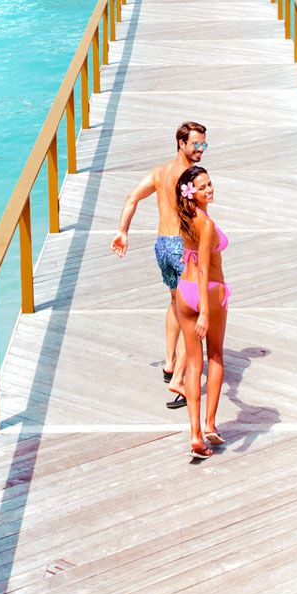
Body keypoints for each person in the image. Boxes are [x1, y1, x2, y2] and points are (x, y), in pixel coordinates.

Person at [110, 120, 206, 406]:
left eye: (204, 144)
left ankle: (168, 362)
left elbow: (131, 198)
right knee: (198, 312)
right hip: (183, 248)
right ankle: (179, 380)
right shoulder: (190, 176)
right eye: (195, 145)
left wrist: (122, 231)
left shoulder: (159, 172)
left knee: (176, 303)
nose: (200, 150)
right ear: (181, 143)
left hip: (162, 245)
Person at [172, 165, 229, 459]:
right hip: (208, 291)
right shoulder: (206, 224)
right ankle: (209, 424)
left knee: (194, 365)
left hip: (185, 291)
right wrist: (205, 312)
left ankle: (194, 432)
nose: (210, 189)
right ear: (191, 193)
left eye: (210, 184)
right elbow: (206, 267)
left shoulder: (185, 217)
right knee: (215, 355)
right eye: (204, 186)